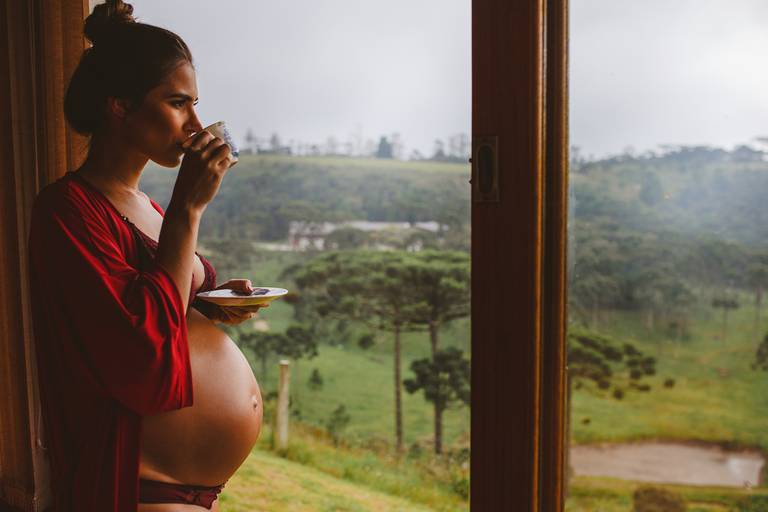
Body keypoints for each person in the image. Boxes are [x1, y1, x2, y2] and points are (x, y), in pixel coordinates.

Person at [28, 1, 263, 510]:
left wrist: (212, 301)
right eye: (178, 103)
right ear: (120, 105)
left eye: (196, 104)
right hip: (138, 484)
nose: (195, 123)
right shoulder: (67, 210)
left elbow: (167, 299)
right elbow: (141, 353)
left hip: (193, 488)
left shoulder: (147, 207)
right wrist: (188, 208)